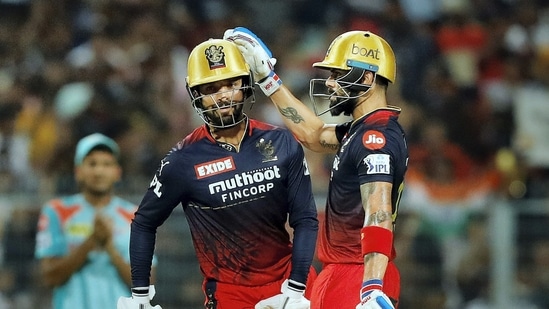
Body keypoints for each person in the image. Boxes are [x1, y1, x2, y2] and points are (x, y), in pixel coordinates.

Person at [117, 38, 318, 309]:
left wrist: (296, 286)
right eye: (211, 88)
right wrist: (140, 295)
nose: (223, 95)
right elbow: (144, 222)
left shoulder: (281, 142)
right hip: (231, 294)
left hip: (291, 282)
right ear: (194, 93)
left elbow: (305, 218)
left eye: (231, 84)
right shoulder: (182, 159)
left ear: (245, 84)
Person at [224, 28, 408, 309]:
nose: (330, 83)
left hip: (358, 274)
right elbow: (313, 135)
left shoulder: (375, 139)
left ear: (367, 77)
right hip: (345, 272)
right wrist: (268, 79)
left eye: (337, 74)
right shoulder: (364, 131)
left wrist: (371, 288)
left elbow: (378, 213)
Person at [34, 133, 149, 309]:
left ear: (117, 172)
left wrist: (109, 246)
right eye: (92, 163)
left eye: (106, 164)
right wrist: (91, 242)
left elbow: (146, 284)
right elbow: (50, 277)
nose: (99, 171)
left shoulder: (136, 216)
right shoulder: (56, 212)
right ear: (78, 172)